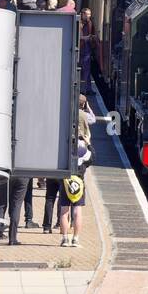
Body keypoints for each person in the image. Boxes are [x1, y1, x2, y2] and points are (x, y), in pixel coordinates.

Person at [59, 96, 94, 247]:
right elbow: (92, 158)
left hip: (65, 179)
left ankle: (64, 239)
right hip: (79, 180)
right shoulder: (83, 150)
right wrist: (88, 143)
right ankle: (76, 239)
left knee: (64, 210)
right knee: (77, 211)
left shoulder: (64, 148)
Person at [79, 7, 97, 90]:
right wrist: (88, 37)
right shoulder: (79, 23)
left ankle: (87, 88)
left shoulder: (89, 22)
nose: (89, 16)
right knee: (81, 69)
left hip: (87, 47)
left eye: (90, 14)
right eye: (87, 14)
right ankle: (84, 88)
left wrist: (92, 37)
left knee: (87, 69)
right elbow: (79, 36)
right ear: (83, 14)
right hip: (80, 47)